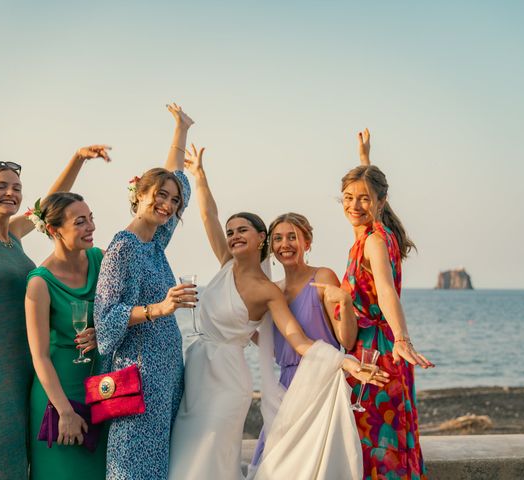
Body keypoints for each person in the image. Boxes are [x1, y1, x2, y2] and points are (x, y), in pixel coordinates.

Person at [168, 146, 388, 480]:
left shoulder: (269, 291)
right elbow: (207, 216)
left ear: (261, 240)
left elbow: (297, 339)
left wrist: (345, 361)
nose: (233, 235)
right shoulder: (227, 265)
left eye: (243, 230)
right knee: (185, 451)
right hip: (196, 371)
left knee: (211, 452)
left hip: (227, 378)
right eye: (230, 232)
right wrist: (199, 176)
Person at [0, 146, 110, 479]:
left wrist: (77, 159)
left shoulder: (13, 236)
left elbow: (49, 210)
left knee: (23, 463)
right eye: (0, 187)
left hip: (27, 367)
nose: (11, 192)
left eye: (17, 187)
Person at [94, 103, 195, 480]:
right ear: (139, 193)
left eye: (173, 200)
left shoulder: (154, 242)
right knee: (132, 468)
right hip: (136, 376)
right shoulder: (124, 246)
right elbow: (105, 322)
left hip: (166, 372)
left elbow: (178, 178)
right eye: (160, 196)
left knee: (156, 468)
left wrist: (181, 129)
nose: (168, 204)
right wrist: (157, 308)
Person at [340, 129, 434, 479]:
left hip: (375, 353)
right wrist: (365, 159)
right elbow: (374, 193)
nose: (354, 205)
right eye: (348, 197)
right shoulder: (382, 232)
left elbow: (385, 291)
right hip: (380, 351)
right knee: (388, 436)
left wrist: (401, 338)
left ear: (380, 202)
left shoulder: (374, 243)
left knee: (376, 438)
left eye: (364, 199)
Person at [249, 212, 358, 471]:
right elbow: (275, 346)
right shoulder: (273, 290)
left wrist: (345, 302)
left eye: (292, 237)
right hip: (286, 385)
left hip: (321, 382)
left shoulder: (322, 277)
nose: (284, 244)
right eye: (278, 239)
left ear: (307, 243)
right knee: (274, 463)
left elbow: (347, 339)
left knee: (313, 465)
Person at [25, 192, 109, 479]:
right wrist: (65, 413)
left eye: (91, 219)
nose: (91, 227)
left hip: (100, 388)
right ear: (54, 230)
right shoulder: (39, 282)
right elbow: (40, 356)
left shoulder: (101, 259)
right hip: (58, 394)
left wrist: (104, 332)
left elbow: (121, 310)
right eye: (80, 222)